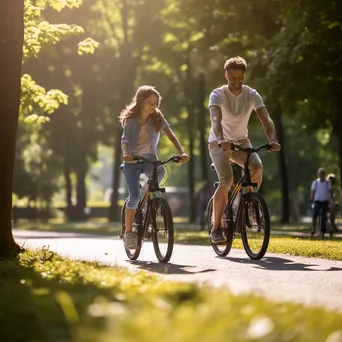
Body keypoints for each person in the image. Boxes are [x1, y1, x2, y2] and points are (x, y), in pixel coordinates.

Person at [208, 56, 281, 244]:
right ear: (226, 75)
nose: (235, 81)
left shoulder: (252, 94)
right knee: (227, 181)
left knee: (257, 168)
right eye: (232, 77)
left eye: (239, 77)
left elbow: (266, 119)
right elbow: (215, 120)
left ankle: (247, 205)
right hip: (219, 142)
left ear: (244, 75)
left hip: (241, 141)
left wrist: (272, 139)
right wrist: (222, 139)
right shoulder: (217, 94)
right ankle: (216, 229)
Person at [120, 85, 189, 249]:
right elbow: (125, 140)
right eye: (150, 102)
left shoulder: (157, 117)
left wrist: (181, 152)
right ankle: (129, 234)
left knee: (159, 176)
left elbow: (170, 134)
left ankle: (150, 211)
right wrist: (126, 155)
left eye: (155, 102)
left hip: (151, 160)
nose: (153, 105)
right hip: (132, 161)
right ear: (140, 101)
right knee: (134, 197)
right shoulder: (131, 120)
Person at [310, 168, 333, 236]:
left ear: (324, 175)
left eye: (323, 174)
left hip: (325, 202)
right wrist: (311, 198)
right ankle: (313, 229)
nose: (321, 175)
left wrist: (332, 198)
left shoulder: (327, 183)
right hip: (317, 201)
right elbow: (313, 192)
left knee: (326, 215)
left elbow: (330, 191)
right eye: (320, 174)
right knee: (314, 215)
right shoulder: (315, 183)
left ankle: (329, 228)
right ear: (318, 175)